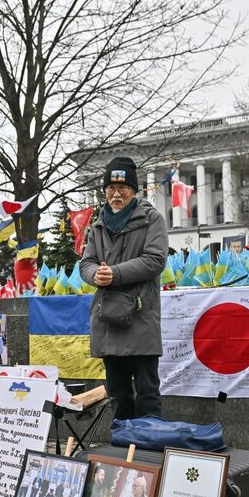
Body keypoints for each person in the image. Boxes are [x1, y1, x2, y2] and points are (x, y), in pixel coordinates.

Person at [80, 156, 168, 421]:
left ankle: (147, 444)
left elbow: (155, 260)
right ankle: (121, 443)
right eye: (111, 188)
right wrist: (96, 274)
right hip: (108, 320)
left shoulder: (152, 219)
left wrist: (115, 274)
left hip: (140, 319)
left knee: (147, 393)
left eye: (123, 188)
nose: (116, 194)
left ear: (134, 190)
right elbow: (86, 263)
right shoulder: (98, 225)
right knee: (118, 394)